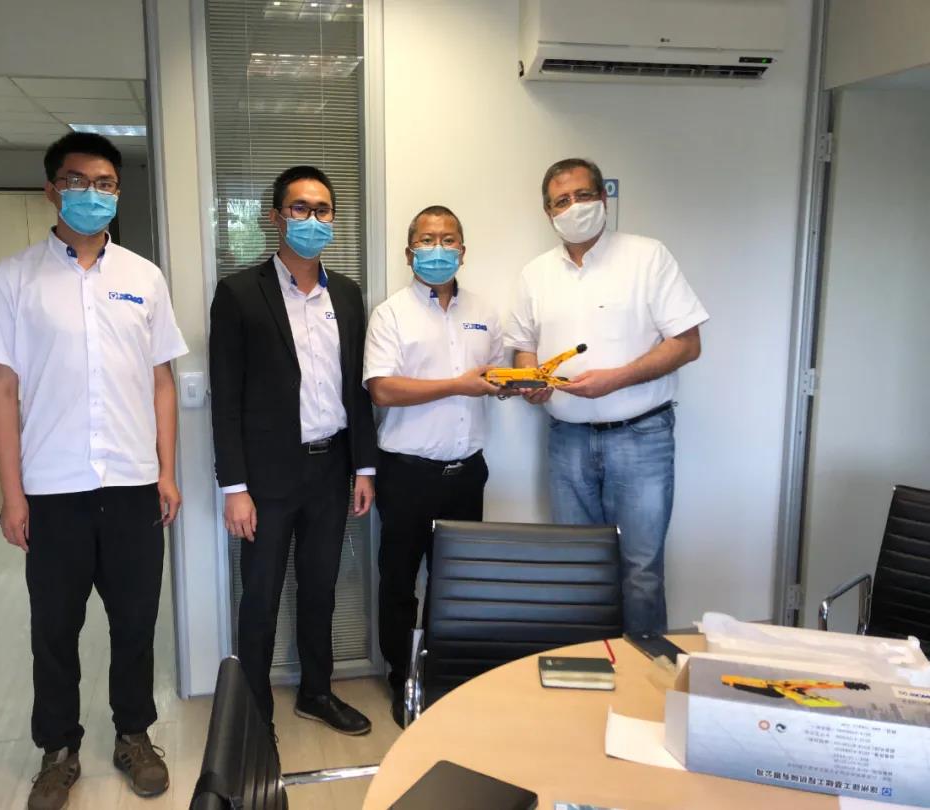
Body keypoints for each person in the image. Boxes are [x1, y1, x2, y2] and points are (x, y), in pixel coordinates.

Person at [0, 132, 188, 810]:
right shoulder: (13, 279)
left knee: (135, 624)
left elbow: (161, 383)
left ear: (118, 192)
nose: (92, 194)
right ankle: (58, 748)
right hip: (53, 490)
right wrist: (12, 495)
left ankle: (133, 735)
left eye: (105, 183)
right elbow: (2, 391)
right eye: (78, 181)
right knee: (54, 631)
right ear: (52, 190)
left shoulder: (144, 278)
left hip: (131, 487)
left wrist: (167, 472)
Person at [505, 158, 708, 636]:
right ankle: (588, 665)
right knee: (578, 568)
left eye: (583, 195)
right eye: (561, 201)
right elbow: (523, 347)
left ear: (603, 198)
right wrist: (531, 382)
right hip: (567, 440)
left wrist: (616, 379)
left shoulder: (647, 257)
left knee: (641, 571)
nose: (573, 207)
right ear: (548, 212)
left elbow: (687, 343)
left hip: (641, 437)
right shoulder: (536, 274)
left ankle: (643, 671)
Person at [209, 165, 378, 735]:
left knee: (321, 587)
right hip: (265, 478)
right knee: (259, 594)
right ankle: (253, 710)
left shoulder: (347, 295)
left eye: (322, 209)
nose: (312, 219)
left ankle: (316, 691)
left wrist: (363, 466)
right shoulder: (239, 293)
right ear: (275, 217)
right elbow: (226, 397)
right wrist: (234, 487)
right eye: (300, 208)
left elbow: (356, 387)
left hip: (332, 469)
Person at [363, 205, 504, 727]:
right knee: (400, 582)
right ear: (409, 253)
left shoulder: (485, 311)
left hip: (467, 473)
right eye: (427, 240)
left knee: (455, 582)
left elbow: (496, 376)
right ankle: (404, 678)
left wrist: (516, 386)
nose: (438, 248)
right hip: (407, 474)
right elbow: (382, 389)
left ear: (463, 250)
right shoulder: (390, 314)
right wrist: (457, 385)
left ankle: (443, 673)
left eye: (448, 239)